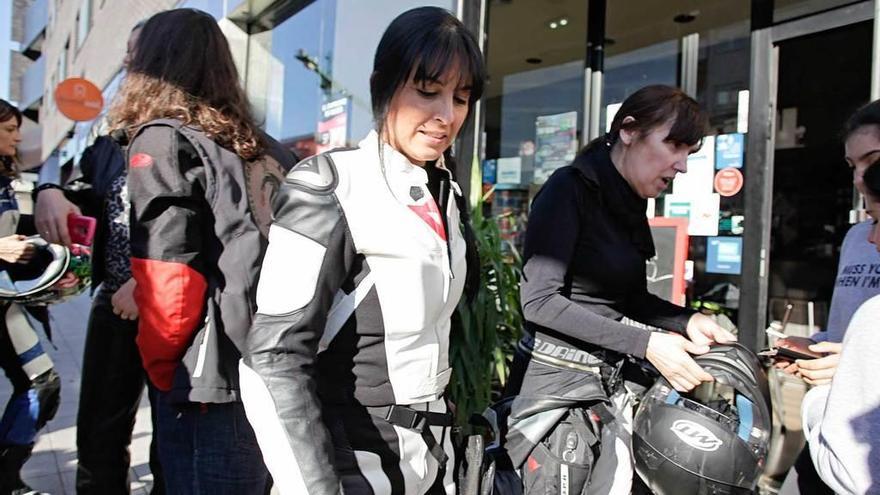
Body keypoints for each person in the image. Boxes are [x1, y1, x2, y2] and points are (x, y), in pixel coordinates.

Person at [239, 6, 483, 494]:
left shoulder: (447, 194)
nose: (446, 116)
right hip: (353, 465)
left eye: (460, 98)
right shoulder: (330, 185)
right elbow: (273, 358)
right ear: (384, 85)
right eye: (428, 91)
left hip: (434, 462)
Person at [498, 85, 736, 494]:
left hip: (603, 388)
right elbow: (538, 302)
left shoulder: (628, 200)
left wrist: (688, 319)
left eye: (689, 153)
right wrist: (646, 344)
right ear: (628, 131)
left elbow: (627, 299)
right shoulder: (569, 188)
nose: (680, 165)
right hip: (553, 398)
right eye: (674, 145)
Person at [110, 8, 294, 493]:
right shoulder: (271, 149)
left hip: (210, 378)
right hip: (277, 364)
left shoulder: (165, 139)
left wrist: (162, 369)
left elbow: (171, 281)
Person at [32, 21, 167, 494]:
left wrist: (148, 284)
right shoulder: (112, 144)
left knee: (171, 440)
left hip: (176, 311)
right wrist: (49, 191)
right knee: (99, 434)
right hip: (112, 306)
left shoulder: (201, 139)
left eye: (136, 55)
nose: (128, 66)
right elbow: (85, 193)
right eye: (127, 55)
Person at [777, 100, 880, 495]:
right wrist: (814, 348)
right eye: (852, 165)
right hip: (830, 424)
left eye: (870, 160)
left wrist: (847, 368)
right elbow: (843, 327)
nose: (859, 177)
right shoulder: (856, 239)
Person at [799, 158, 880, 494]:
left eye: (878, 219)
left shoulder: (874, 317)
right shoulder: (854, 238)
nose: (872, 239)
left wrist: (821, 396)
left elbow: (851, 473)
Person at [0, 99, 60, 495]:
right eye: (8, 130)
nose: (18, 137)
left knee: (44, 384)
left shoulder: (7, 178)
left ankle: (6, 479)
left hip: (6, 306)